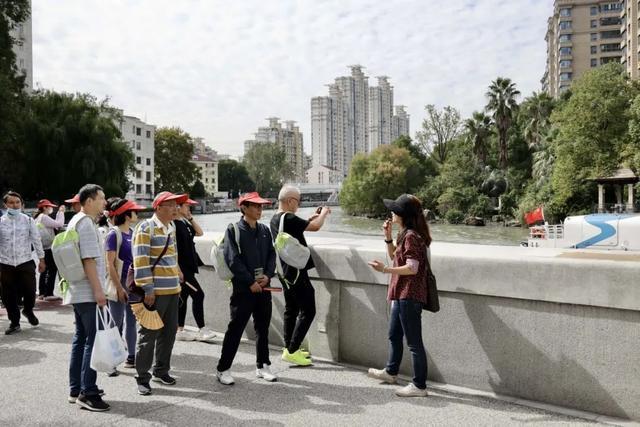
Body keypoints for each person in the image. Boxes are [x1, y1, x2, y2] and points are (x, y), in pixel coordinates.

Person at [367, 194, 431, 398]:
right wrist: (388, 236)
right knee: (394, 334)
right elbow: (396, 255)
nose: (391, 212)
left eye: (394, 209)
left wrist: (385, 270)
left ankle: (419, 386)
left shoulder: (412, 236)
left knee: (414, 343)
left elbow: (412, 268)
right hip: (401, 294)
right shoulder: (405, 233)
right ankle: (391, 372)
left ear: (402, 214)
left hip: (409, 295)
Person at [216, 192, 277, 385]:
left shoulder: (265, 230)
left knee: (263, 328)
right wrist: (250, 282)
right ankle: (223, 368)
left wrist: (267, 276)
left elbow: (271, 256)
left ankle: (262, 365)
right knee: (235, 328)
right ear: (244, 207)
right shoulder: (233, 229)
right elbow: (232, 259)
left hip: (263, 288)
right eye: (256, 206)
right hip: (244, 290)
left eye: (261, 206)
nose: (260, 210)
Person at [270, 185, 331, 366]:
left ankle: (289, 348)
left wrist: (309, 219)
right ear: (290, 201)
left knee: (291, 309)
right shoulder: (288, 217)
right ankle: (292, 349)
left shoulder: (276, 218)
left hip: (284, 271)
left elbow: (296, 228)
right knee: (308, 310)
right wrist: (324, 213)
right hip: (296, 271)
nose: (298, 204)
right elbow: (316, 227)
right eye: (298, 201)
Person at [132, 191, 184, 396]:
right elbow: (141, 259)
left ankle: (161, 371)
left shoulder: (171, 227)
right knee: (148, 334)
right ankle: (142, 378)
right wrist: (147, 288)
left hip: (173, 289)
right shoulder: (145, 228)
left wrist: (178, 272)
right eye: (171, 205)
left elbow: (173, 254)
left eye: (176, 205)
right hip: (155, 292)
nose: (175, 209)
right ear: (158, 207)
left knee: (169, 333)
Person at [66, 184, 111, 411]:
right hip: (88, 291)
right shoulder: (86, 224)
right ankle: (88, 393)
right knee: (91, 342)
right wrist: (99, 292)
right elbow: (89, 260)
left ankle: (76, 388)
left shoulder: (76, 220)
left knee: (81, 339)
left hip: (78, 290)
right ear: (90, 200)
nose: (105, 202)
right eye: (102, 198)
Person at [104, 197, 146, 373]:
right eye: (134, 211)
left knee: (131, 321)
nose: (137, 214)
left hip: (133, 284)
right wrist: (119, 288)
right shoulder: (114, 234)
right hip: (119, 284)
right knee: (115, 322)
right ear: (126, 214)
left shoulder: (134, 232)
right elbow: (109, 264)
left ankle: (131, 357)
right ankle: (111, 360)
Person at [0, 191, 45, 335]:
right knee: (8, 295)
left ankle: (28, 310)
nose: (15, 205)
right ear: (5, 205)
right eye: (11, 202)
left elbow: (36, 240)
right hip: (5, 263)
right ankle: (14, 323)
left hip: (25, 261)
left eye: (17, 202)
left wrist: (42, 259)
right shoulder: (1, 222)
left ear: (21, 204)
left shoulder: (28, 220)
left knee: (30, 290)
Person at [175, 197, 216, 342]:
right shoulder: (173, 225)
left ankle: (179, 329)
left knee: (183, 298)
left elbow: (200, 233)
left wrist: (190, 218)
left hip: (190, 267)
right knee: (199, 295)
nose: (189, 209)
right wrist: (178, 270)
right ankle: (202, 329)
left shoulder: (184, 222)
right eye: (187, 206)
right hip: (182, 269)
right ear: (178, 207)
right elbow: (172, 249)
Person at [34, 199, 65, 301]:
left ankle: (43, 292)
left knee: (45, 269)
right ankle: (48, 293)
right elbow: (59, 224)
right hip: (48, 248)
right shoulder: (43, 217)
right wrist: (61, 212)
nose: (51, 209)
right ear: (44, 208)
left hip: (43, 247)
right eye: (49, 207)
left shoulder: (38, 217)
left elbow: (54, 224)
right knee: (52, 269)